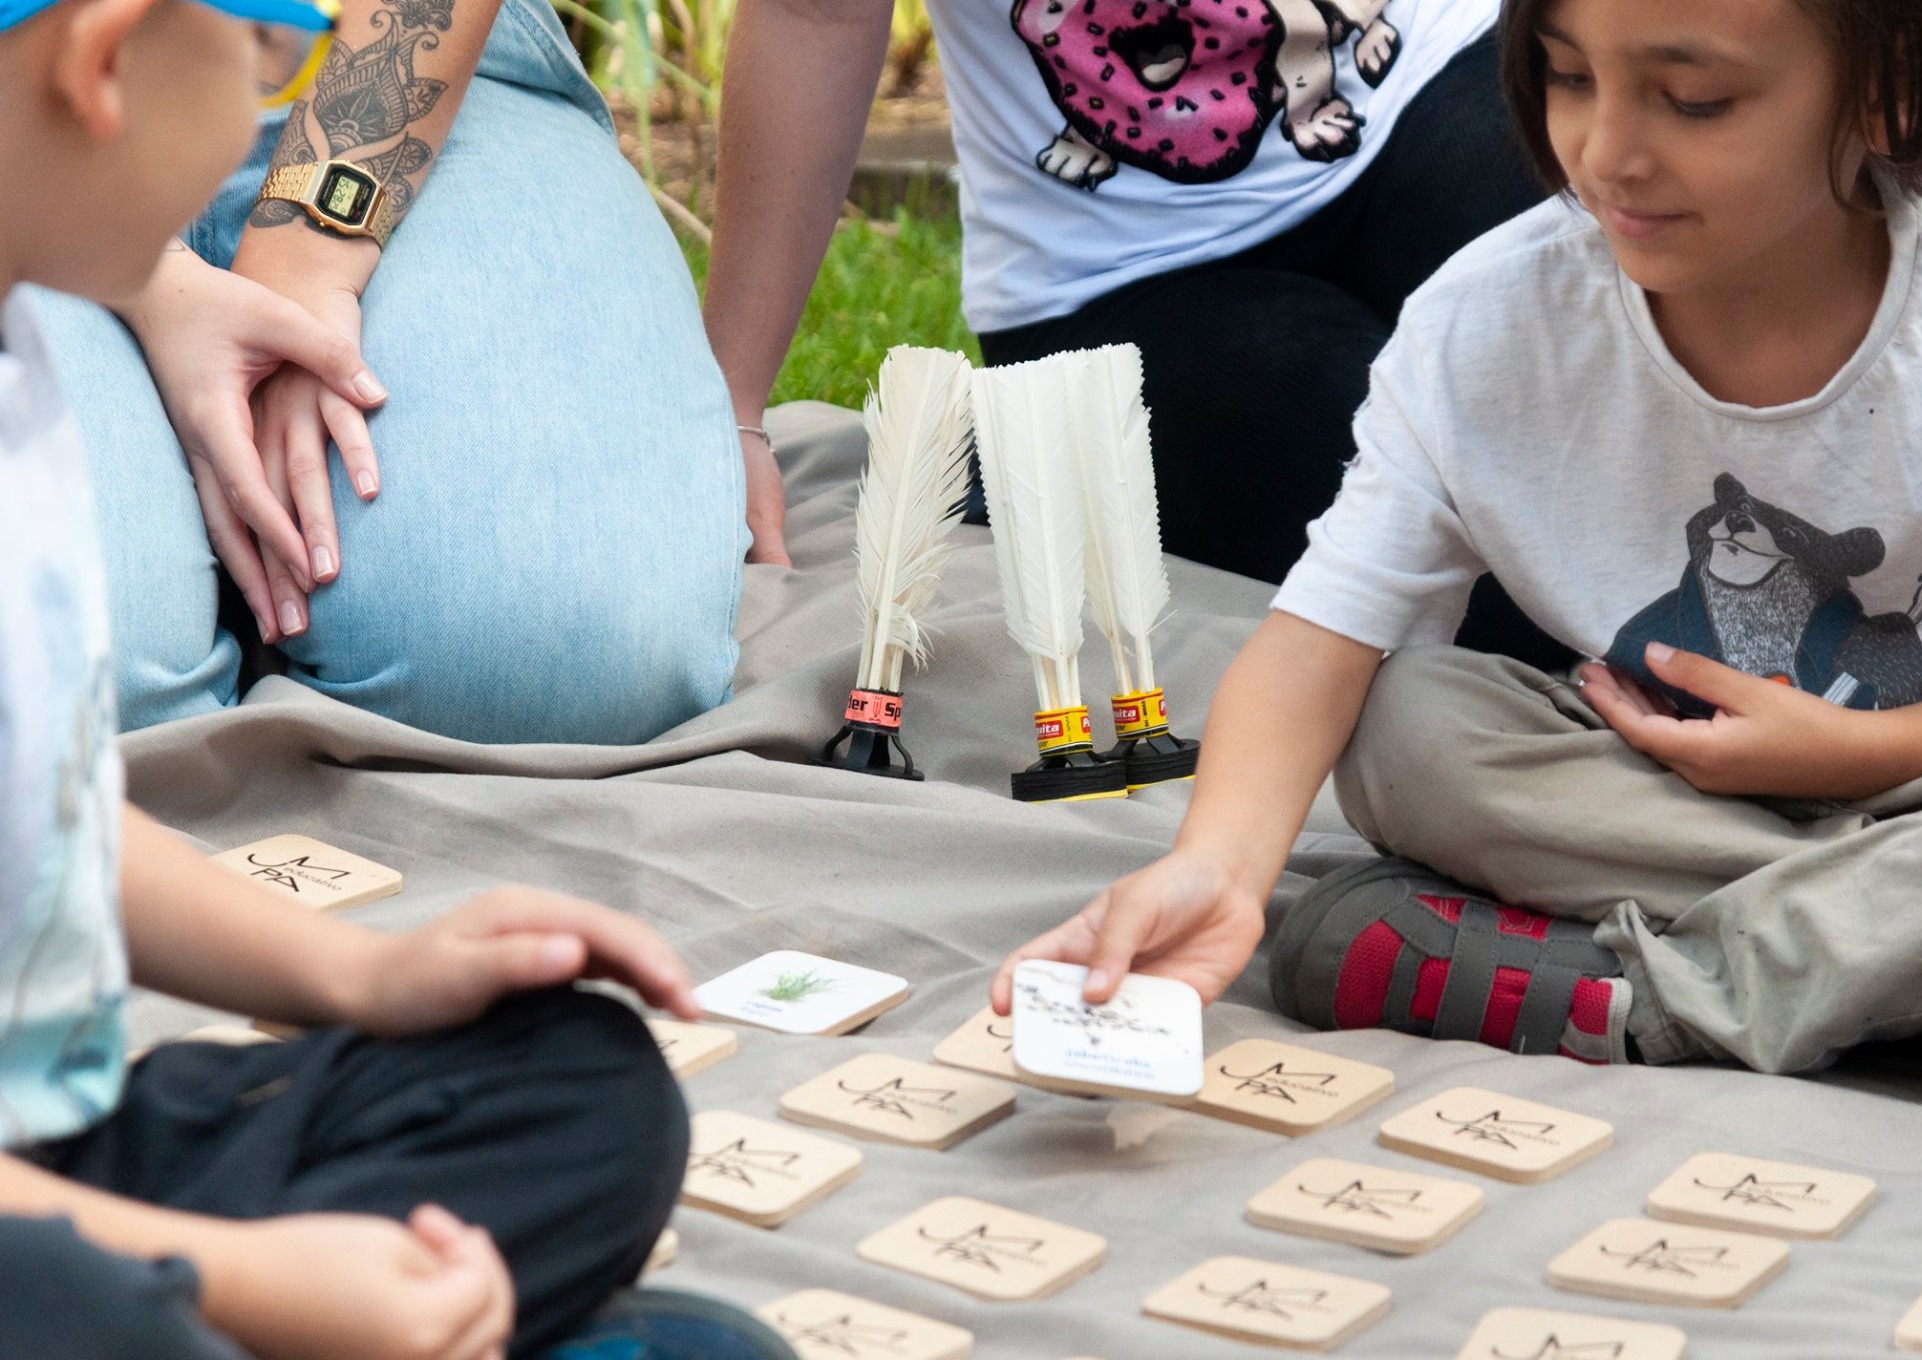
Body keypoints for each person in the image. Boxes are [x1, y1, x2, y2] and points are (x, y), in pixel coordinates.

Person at [993, 0, 1922, 1128]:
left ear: (1890, 88)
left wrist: (1860, 750)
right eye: (1566, 78)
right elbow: (1319, 639)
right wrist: (1216, 866)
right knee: (1406, 726)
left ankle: (1675, 996)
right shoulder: (1486, 322)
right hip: (1652, 797)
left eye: (1695, 100)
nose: (1605, 154)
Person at [0, 6, 804, 1354]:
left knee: (578, 1083)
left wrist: (368, 977)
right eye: (266, 72)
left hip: (61, 1151)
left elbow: (41, 828)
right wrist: (235, 1283)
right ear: (104, 67)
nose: (256, 145)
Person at [705, 0, 1557, 640]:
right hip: (1117, 272)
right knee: (1449, 567)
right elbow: (811, 9)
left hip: (1424, 87)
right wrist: (733, 408)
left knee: (1610, 432)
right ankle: (1029, 454)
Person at [23, 0, 745, 745]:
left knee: (561, 665)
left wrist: (302, 276)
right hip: (27, 109)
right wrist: (137, 267)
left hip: (432, 68)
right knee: (64, 694)